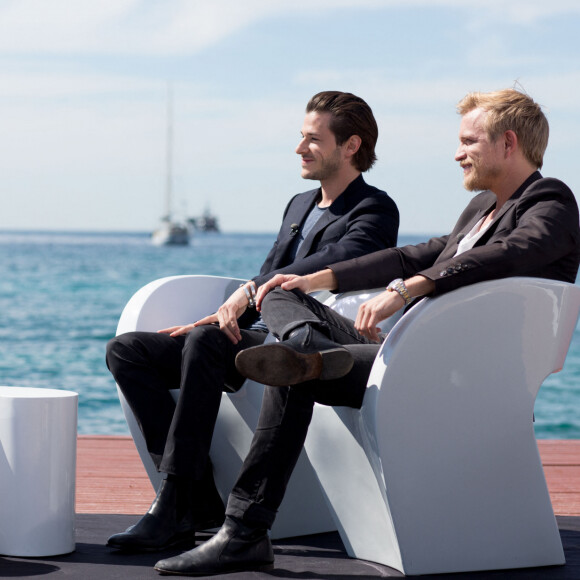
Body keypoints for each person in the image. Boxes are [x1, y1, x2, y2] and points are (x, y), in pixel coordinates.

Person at [153, 88, 580, 576]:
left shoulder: (550, 201)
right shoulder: (483, 206)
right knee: (277, 292)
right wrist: (318, 279)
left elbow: (510, 253)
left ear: (508, 143)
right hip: (404, 354)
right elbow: (414, 253)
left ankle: (245, 530)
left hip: (454, 371)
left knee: (296, 368)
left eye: (468, 141)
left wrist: (406, 290)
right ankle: (304, 349)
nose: (457, 153)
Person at [105, 91, 399, 553]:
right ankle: (194, 498)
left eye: (312, 139)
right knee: (128, 352)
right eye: (300, 138)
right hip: (257, 332)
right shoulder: (299, 204)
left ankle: (174, 503)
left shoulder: (375, 209)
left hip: (308, 343)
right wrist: (232, 307)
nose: (300, 148)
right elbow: (266, 276)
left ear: (350, 146)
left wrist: (244, 297)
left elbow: (340, 259)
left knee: (204, 341)